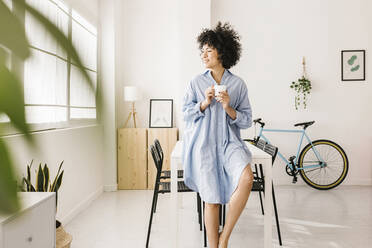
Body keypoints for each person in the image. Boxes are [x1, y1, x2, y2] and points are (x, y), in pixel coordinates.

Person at [182, 22, 254, 248]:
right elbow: (185, 114)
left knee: (247, 178)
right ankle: (215, 246)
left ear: (221, 52)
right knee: (211, 200)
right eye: (201, 51)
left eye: (208, 50)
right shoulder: (196, 82)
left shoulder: (238, 84)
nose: (203, 54)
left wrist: (228, 108)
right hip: (204, 145)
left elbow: (247, 119)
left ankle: (224, 238)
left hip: (230, 143)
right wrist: (204, 103)